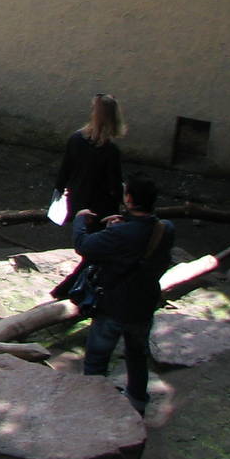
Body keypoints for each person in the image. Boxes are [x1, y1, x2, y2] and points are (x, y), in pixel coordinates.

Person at [73, 173, 175, 415]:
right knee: (137, 354)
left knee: (97, 358)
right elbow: (140, 243)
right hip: (143, 305)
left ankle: (92, 407)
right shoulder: (165, 229)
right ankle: (138, 400)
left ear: (129, 199)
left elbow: (84, 246)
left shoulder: (121, 234)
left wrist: (79, 221)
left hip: (113, 305)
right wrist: (123, 224)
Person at [55, 93, 125, 230]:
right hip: (100, 208)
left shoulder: (76, 138)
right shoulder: (110, 149)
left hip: (77, 201)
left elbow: (64, 171)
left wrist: (59, 194)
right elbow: (114, 184)